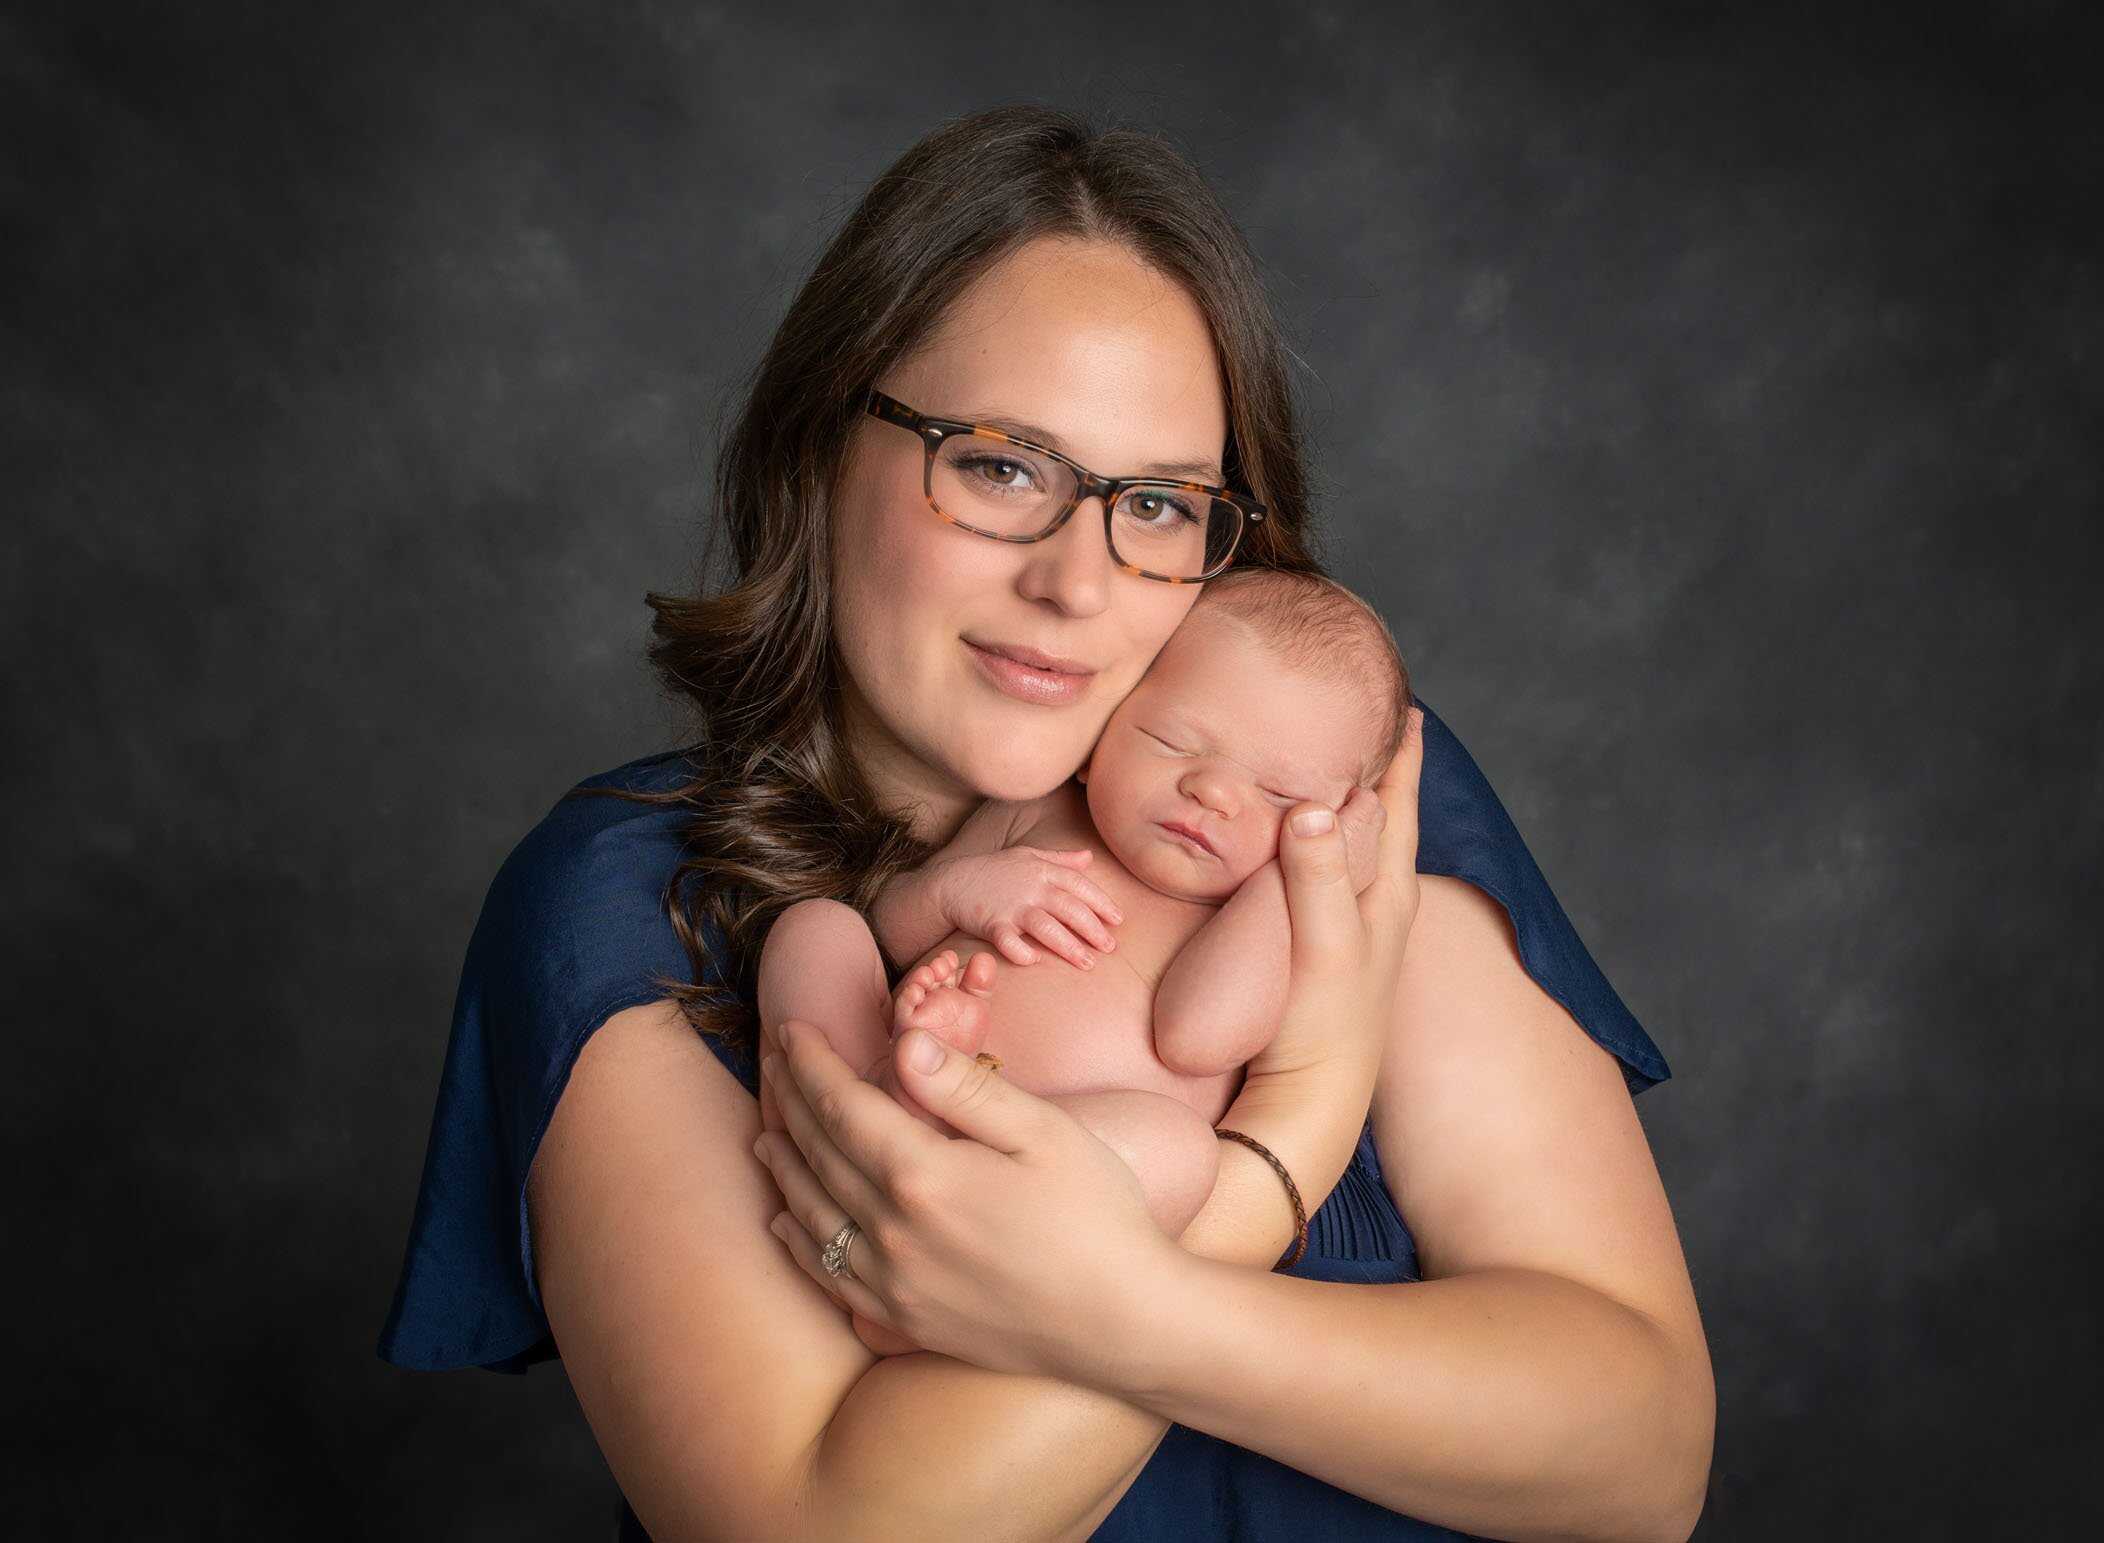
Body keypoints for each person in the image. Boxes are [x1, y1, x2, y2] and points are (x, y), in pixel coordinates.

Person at [378, 105, 1715, 1542]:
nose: (1078, 583)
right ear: (820, 449)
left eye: (1156, 501)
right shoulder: (627, 894)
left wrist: (1126, 1299)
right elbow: (835, 1527)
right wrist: (1286, 1142)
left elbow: (1635, 1461)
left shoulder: (1313, 797)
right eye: (1001, 463)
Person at [755, 568, 1415, 1295]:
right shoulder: (1040, 810)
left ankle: (951, 1242)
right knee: (816, 929)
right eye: (1172, 740)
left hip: (1039, 1193)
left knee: (1182, 1155)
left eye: (1282, 796)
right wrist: (959, 890)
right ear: (1104, 726)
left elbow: (1198, 1035)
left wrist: (1287, 882)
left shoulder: (1253, 921)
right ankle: (849, 1123)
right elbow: (898, 929)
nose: (1214, 791)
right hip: (891, 1085)